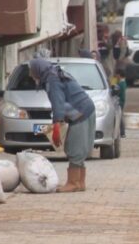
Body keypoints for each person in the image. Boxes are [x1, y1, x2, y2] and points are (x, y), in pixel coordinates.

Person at [28, 58, 96, 193]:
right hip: (87, 109)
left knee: (74, 147)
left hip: (80, 112)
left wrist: (56, 126)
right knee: (81, 147)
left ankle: (73, 183)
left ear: (38, 70)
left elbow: (57, 104)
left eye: (31, 71)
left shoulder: (52, 80)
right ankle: (80, 183)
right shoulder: (56, 73)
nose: (30, 74)